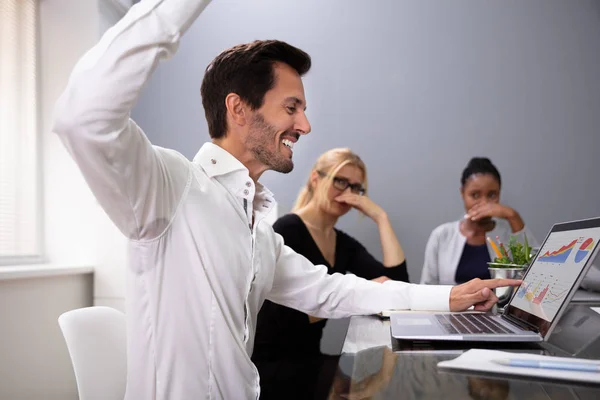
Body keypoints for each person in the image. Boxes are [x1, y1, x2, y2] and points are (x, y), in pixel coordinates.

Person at [53, 1, 520, 398]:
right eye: (291, 107)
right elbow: (83, 118)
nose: (305, 125)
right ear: (238, 109)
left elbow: (336, 289)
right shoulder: (169, 186)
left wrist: (450, 296)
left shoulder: (256, 226)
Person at [252, 148, 409, 399]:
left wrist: (381, 217)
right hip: (273, 365)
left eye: (356, 188)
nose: (347, 193)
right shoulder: (287, 230)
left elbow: (397, 283)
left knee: (381, 382)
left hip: (309, 359)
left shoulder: (341, 243)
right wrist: (358, 298)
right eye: (340, 181)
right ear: (316, 178)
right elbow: (285, 317)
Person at [421, 157, 537, 285]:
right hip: (452, 305)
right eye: (475, 195)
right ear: (462, 193)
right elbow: (427, 288)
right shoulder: (442, 235)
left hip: (498, 304)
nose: (484, 203)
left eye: (492, 195)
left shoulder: (508, 233)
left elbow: (534, 274)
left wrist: (513, 215)